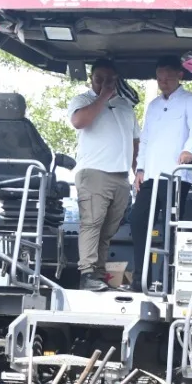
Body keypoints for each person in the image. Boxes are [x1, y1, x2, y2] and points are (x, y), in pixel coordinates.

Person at [130, 56, 192, 291]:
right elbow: (146, 138)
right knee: (138, 219)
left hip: (176, 175)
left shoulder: (191, 101)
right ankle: (141, 278)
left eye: (168, 77)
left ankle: (170, 280)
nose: (163, 82)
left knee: (172, 227)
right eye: (160, 78)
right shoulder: (152, 105)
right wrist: (139, 169)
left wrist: (188, 150)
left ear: (179, 75)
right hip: (151, 174)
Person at [68, 58, 139, 292]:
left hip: (120, 177)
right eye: (99, 79)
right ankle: (87, 272)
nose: (104, 83)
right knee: (92, 223)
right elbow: (80, 121)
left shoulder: (126, 105)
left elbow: (135, 142)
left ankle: (98, 274)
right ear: (91, 79)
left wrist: (137, 171)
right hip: (94, 173)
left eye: (109, 80)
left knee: (110, 228)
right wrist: (102, 97)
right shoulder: (83, 100)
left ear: (117, 80)